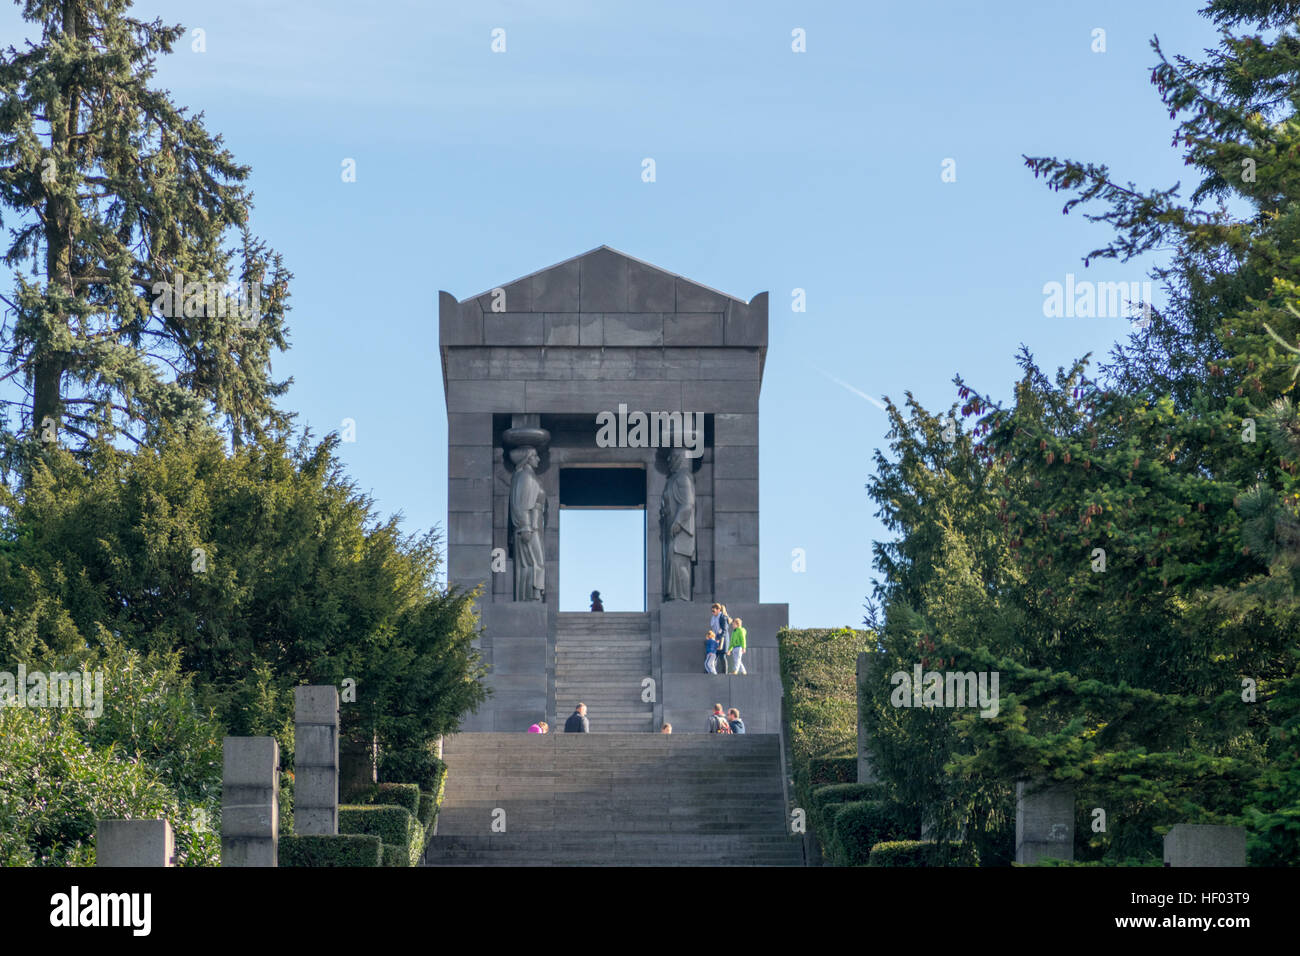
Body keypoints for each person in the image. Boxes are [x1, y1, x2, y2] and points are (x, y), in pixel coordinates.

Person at [710, 603, 731, 674]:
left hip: (722, 640)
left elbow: (724, 630)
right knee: (714, 656)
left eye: (714, 611)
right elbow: (713, 629)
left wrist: (718, 638)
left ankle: (725, 673)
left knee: (722, 657)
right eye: (712, 611)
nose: (713, 612)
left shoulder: (723, 617)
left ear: (718, 610)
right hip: (715, 639)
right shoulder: (713, 618)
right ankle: (712, 671)